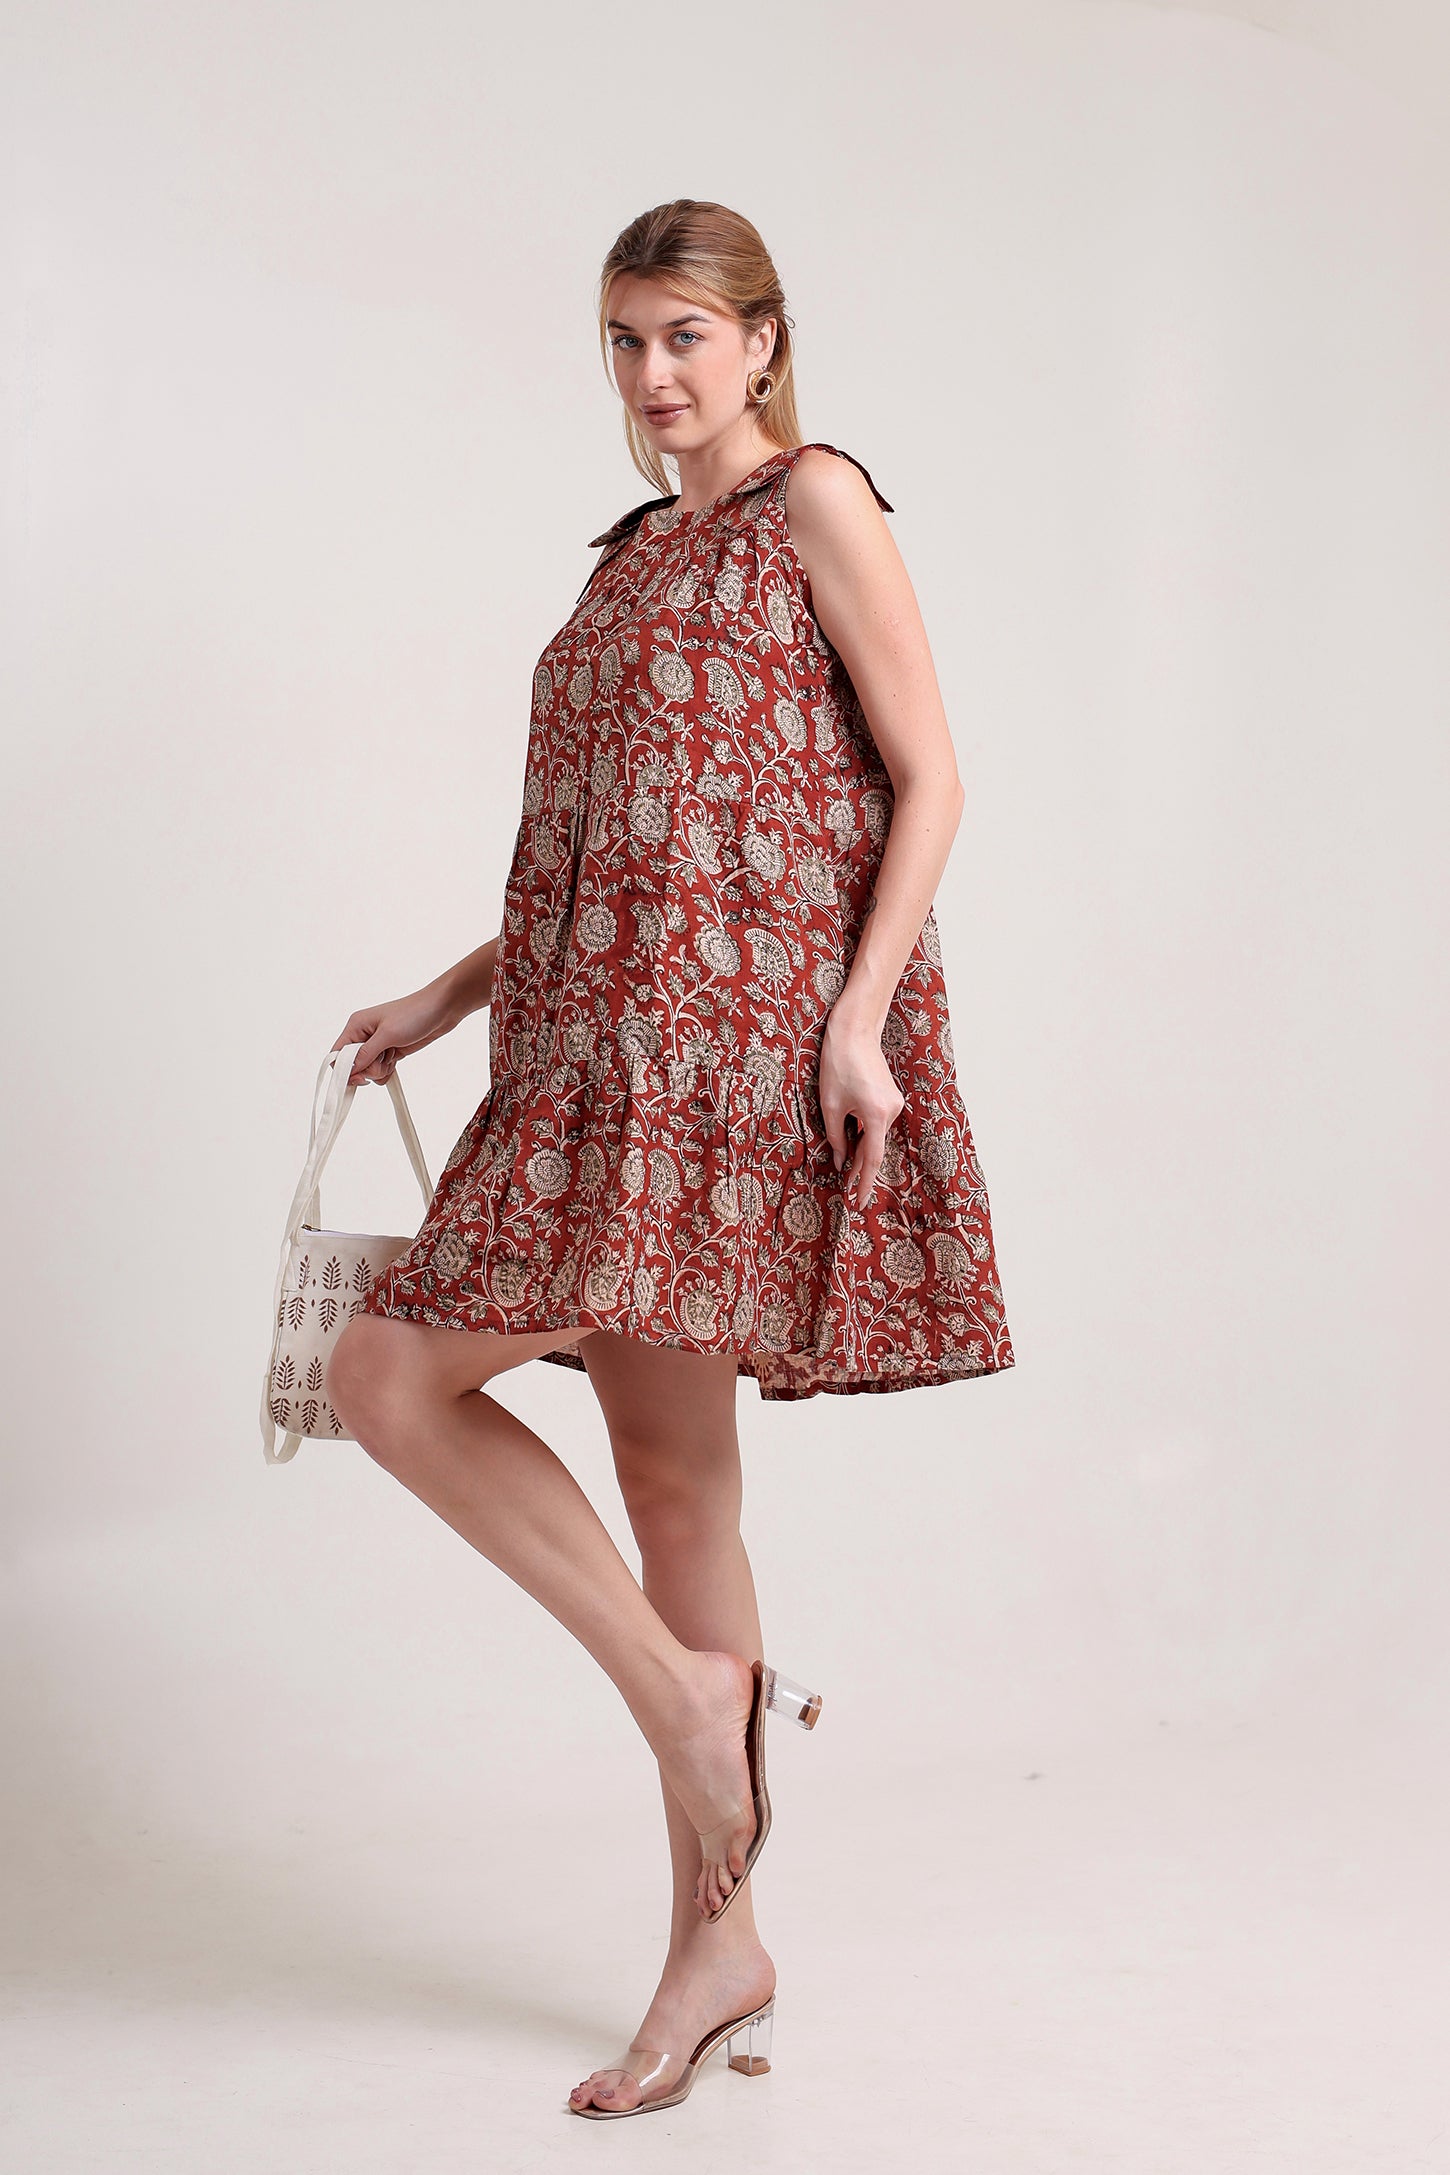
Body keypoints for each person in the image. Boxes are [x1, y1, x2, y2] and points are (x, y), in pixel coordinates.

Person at [325, 197, 1014, 2120]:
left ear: (764, 343)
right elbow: (620, 837)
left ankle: (701, 1899)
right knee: (471, 1405)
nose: (652, 377)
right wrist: (453, 994)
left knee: (612, 1461)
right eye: (626, 340)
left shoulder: (817, 496)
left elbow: (931, 771)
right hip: (579, 1046)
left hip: (728, 1053)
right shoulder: (631, 556)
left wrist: (860, 1018)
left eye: (686, 339)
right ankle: (701, 1791)